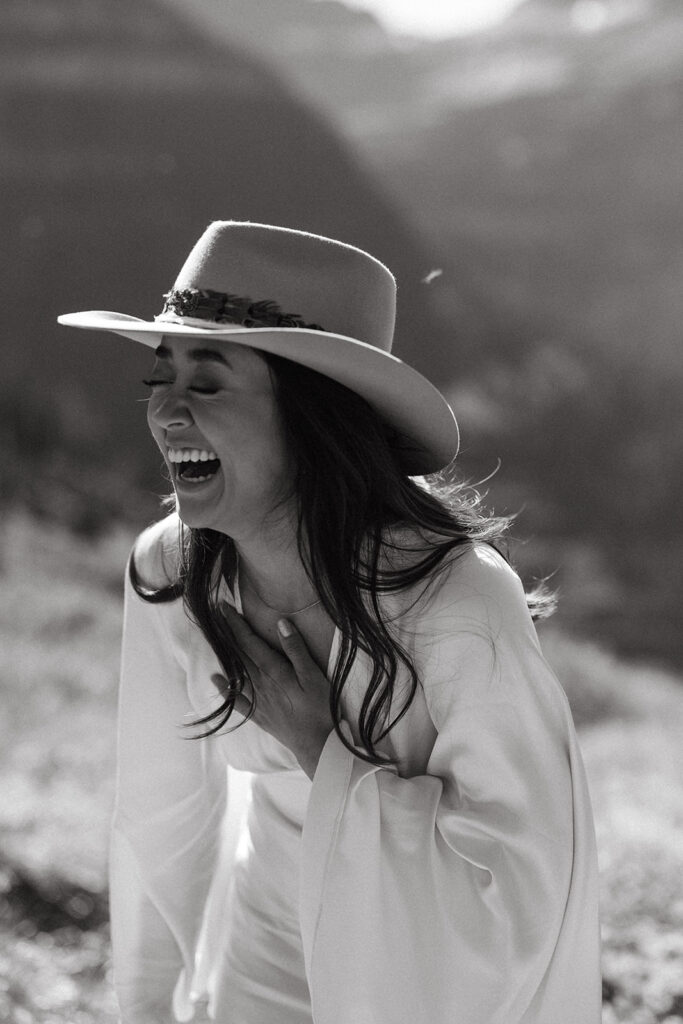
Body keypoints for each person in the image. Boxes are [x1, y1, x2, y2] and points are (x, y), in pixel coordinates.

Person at [58, 221, 602, 1024]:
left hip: (419, 974)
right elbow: (159, 815)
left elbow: (521, 884)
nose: (166, 414)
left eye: (206, 385)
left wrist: (321, 746)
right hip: (263, 935)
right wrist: (148, 1006)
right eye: (157, 380)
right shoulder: (170, 571)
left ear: (313, 416)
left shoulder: (454, 602)